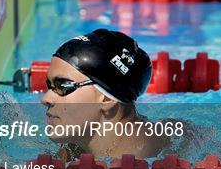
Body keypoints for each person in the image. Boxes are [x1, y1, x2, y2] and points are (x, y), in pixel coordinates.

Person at [42, 28, 171, 161]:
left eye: (63, 86)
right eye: (49, 85)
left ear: (107, 98)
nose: (45, 99)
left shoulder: (133, 163)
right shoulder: (76, 144)